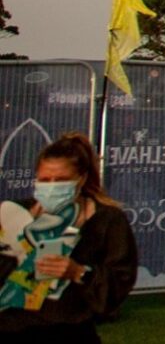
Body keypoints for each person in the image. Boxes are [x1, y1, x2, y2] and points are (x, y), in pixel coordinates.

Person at [0, 132, 138, 344]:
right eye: (45, 180)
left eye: (62, 180)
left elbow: (118, 285)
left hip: (70, 331)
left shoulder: (108, 220)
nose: (52, 185)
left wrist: (78, 272)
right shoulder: (13, 213)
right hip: (11, 327)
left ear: (81, 179)